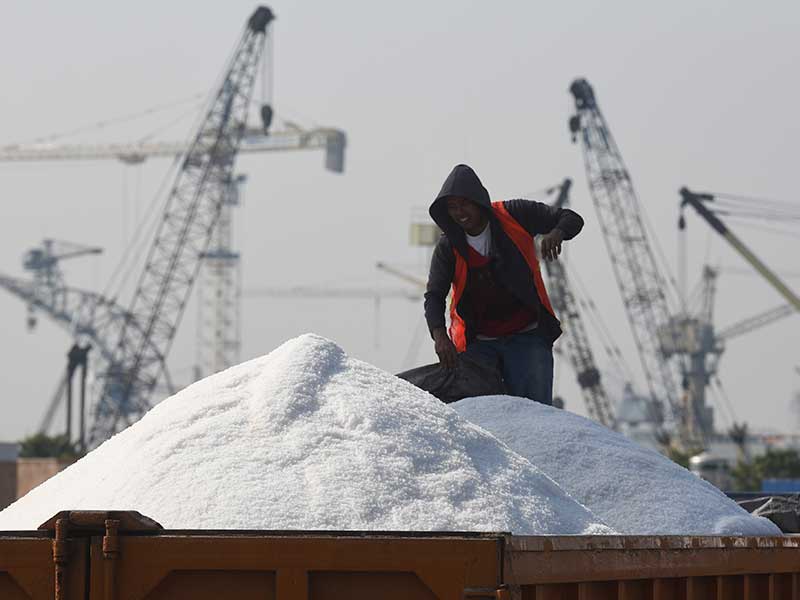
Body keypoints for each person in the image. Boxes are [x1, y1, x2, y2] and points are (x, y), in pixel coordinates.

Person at [424, 164, 584, 405]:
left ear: (478, 201)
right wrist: (439, 335)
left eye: (465, 204)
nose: (460, 213)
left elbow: (571, 218)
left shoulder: (515, 215)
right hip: (479, 345)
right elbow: (434, 295)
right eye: (453, 208)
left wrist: (557, 233)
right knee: (483, 414)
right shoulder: (449, 247)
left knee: (537, 414)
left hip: (527, 337)